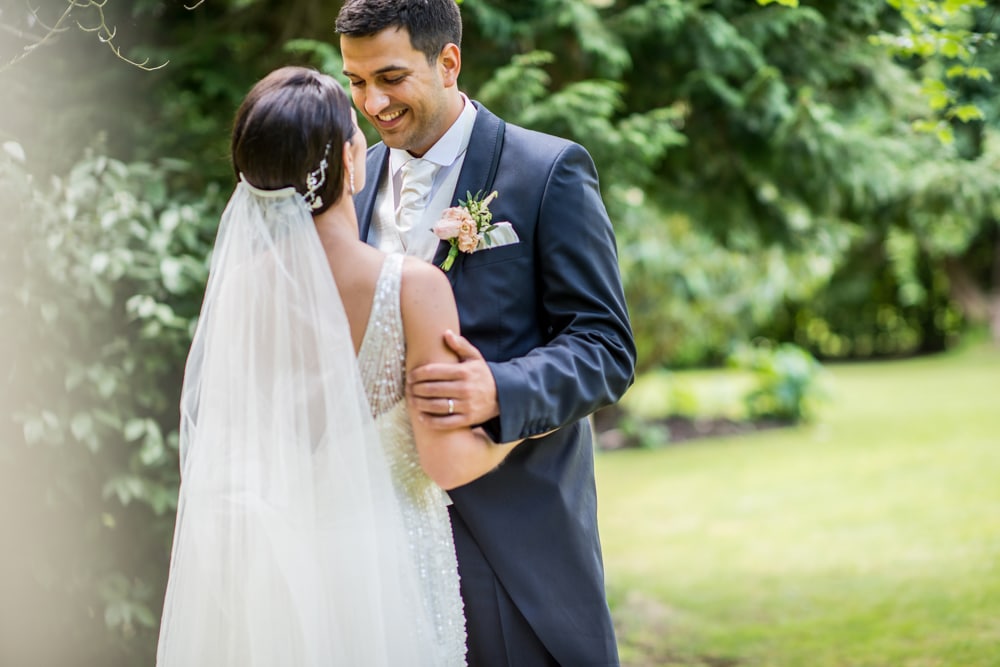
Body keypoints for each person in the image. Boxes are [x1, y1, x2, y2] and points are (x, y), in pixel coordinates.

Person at [155, 66, 517, 666]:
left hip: (274, 587)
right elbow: (447, 462)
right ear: (351, 162)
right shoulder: (412, 289)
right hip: (388, 577)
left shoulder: (238, 293)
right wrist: (523, 421)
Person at [336, 2, 637, 665]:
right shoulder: (349, 195)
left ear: (448, 62)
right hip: (379, 539)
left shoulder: (546, 171)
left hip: (512, 535)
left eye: (390, 77)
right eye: (356, 82)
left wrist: (498, 388)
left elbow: (606, 346)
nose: (372, 102)